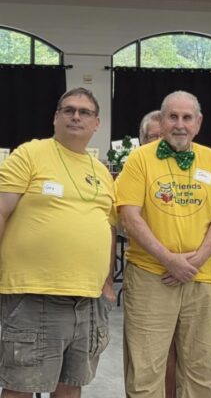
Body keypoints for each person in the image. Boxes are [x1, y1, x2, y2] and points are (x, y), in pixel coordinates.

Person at [0, 87, 116, 397]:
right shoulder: (30, 154)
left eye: (84, 112)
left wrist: (107, 281)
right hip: (35, 294)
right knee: (21, 387)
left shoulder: (102, 172)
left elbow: (107, 226)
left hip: (87, 300)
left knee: (70, 387)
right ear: (55, 118)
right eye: (69, 110)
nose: (76, 116)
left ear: (96, 124)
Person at [117, 90, 211, 398]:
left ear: (199, 123)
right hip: (150, 275)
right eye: (173, 117)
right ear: (162, 120)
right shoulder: (140, 158)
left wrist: (195, 261)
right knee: (146, 368)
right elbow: (129, 215)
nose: (180, 124)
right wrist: (169, 259)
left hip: (200, 277)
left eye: (187, 117)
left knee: (202, 367)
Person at [138, 109, 177, 398]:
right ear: (142, 141)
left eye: (163, 137)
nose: (159, 143)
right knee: (150, 357)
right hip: (150, 274)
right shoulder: (137, 168)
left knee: (182, 354)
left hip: (189, 273)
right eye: (153, 137)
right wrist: (169, 259)